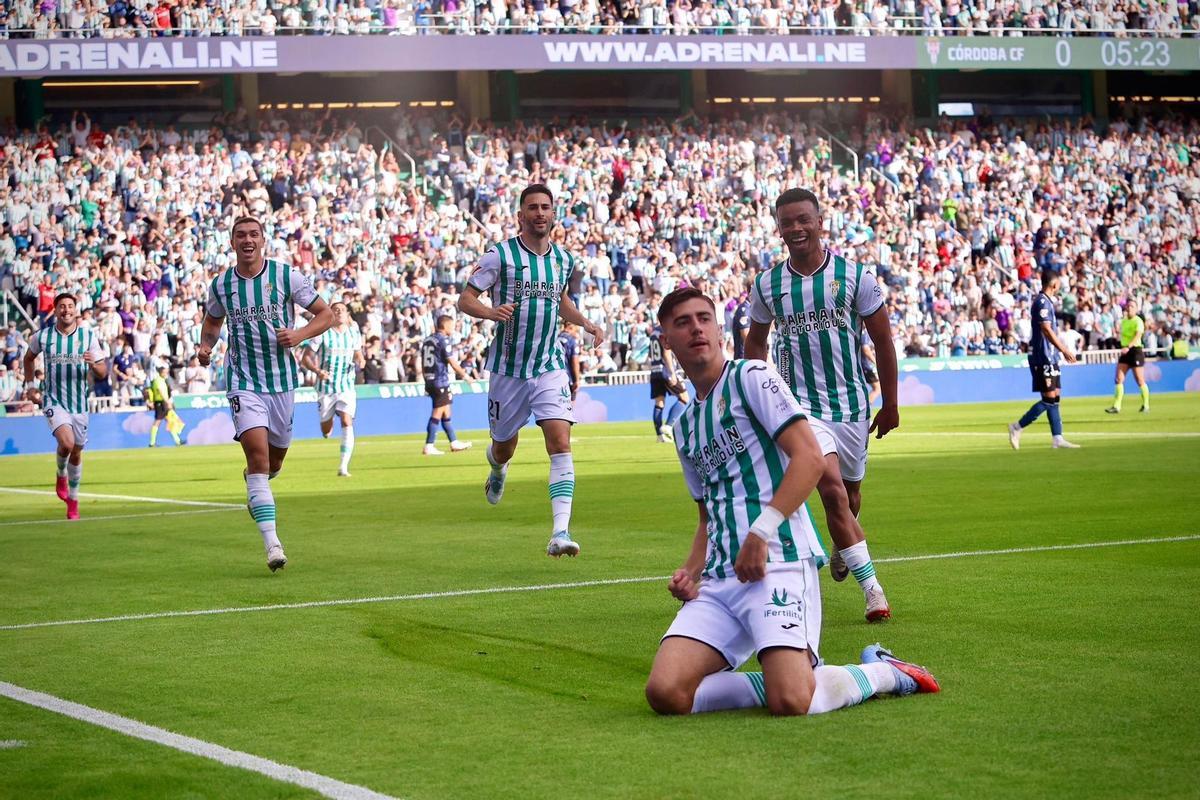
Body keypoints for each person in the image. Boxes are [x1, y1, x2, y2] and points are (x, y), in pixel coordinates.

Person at [644, 287, 939, 717]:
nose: (696, 328)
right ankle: (788, 673)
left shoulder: (751, 378)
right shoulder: (686, 425)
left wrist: (761, 532)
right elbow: (707, 517)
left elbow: (810, 458)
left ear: (719, 328)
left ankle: (882, 673)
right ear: (666, 340)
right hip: (720, 582)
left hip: (778, 561)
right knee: (666, 693)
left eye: (704, 318)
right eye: (682, 322)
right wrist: (690, 572)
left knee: (792, 701)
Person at [744, 188, 897, 623]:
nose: (795, 228)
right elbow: (755, 342)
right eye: (786, 222)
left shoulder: (854, 276)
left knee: (850, 494)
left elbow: (883, 341)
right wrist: (758, 393)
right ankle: (874, 591)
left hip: (851, 406)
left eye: (802, 220)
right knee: (830, 491)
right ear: (778, 227)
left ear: (819, 222)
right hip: (800, 406)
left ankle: (842, 544)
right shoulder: (768, 284)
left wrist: (889, 403)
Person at [457, 183, 605, 558]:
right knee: (503, 447)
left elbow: (561, 302)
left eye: (546, 207)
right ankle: (497, 469)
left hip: (548, 365)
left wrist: (585, 323)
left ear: (554, 214)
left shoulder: (564, 260)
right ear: (520, 215)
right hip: (508, 370)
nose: (540, 213)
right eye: (533, 207)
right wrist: (490, 312)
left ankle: (560, 532)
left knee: (560, 442)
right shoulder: (499, 256)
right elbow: (466, 298)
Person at [197, 216, 333, 572]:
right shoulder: (222, 284)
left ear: (262, 240)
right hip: (243, 381)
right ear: (231, 242)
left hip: (283, 383)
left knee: (274, 464)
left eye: (253, 234)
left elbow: (326, 314)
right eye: (240, 234)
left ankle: (256, 487)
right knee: (258, 460)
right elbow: (212, 321)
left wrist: (300, 335)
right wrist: (205, 346)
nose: (247, 240)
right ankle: (272, 544)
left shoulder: (286, 276)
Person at [22, 293, 108, 521]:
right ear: (56, 309)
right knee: (67, 442)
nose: (66, 310)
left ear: (76, 310)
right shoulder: (44, 336)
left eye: (70, 306)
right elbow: (28, 359)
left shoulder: (88, 337)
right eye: (62, 306)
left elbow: (103, 372)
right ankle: (61, 474)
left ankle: (73, 499)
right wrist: (31, 386)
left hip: (79, 403)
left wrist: (94, 364)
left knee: (77, 450)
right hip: (54, 400)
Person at [1008, 269, 1079, 450]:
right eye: (1059, 284)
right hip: (1042, 356)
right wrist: (1064, 349)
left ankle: (1057, 438)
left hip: (1050, 356)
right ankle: (1017, 427)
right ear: (1054, 284)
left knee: (1055, 396)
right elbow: (1046, 329)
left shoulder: (1047, 302)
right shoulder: (1042, 303)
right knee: (1048, 399)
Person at [301, 301, 365, 475]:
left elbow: (358, 351)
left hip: (346, 385)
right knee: (326, 429)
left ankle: (343, 466)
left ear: (347, 314)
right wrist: (317, 371)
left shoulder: (353, 332)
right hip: (326, 387)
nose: (340, 312)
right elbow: (305, 358)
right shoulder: (322, 333)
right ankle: (328, 421)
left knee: (347, 420)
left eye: (343, 310)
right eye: (336, 310)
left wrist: (361, 359)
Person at [420, 313, 472, 456]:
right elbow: (452, 361)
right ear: (445, 325)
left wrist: (426, 380)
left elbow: (422, 362)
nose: (453, 328)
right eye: (452, 325)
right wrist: (465, 375)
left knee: (446, 412)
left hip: (430, 379)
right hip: (439, 380)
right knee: (438, 412)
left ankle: (454, 442)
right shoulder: (443, 340)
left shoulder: (427, 340)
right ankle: (429, 445)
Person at [648, 321, 690, 443]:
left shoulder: (653, 332)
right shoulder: (665, 330)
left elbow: (651, 354)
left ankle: (660, 436)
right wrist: (672, 372)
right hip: (665, 369)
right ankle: (669, 425)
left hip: (655, 370)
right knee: (684, 398)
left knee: (659, 402)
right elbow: (666, 351)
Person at [1105, 301, 1150, 414]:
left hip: (1135, 350)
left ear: (1136, 309)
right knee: (1118, 378)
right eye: (1128, 306)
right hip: (1125, 350)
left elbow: (1137, 335)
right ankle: (1117, 406)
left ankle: (1146, 405)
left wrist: (1128, 347)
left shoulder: (1138, 321)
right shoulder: (1124, 321)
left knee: (1139, 380)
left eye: (1132, 306)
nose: (1129, 308)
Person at [144, 363, 183, 447]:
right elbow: (160, 392)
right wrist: (167, 402)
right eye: (165, 372)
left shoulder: (162, 380)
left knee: (170, 420)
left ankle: (177, 440)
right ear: (161, 372)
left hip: (163, 403)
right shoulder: (158, 380)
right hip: (160, 403)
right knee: (157, 421)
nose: (166, 374)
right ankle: (152, 442)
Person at [558, 322, 581, 401]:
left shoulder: (554, 338)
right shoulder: (571, 340)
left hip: (552, 377)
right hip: (567, 378)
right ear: (571, 327)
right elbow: (575, 361)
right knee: (568, 407)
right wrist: (577, 380)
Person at [861, 341, 881, 406]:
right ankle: (866, 407)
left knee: (877, 388)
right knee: (877, 388)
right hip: (866, 366)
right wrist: (876, 362)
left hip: (863, 366)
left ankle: (865, 407)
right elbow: (866, 349)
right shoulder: (863, 333)